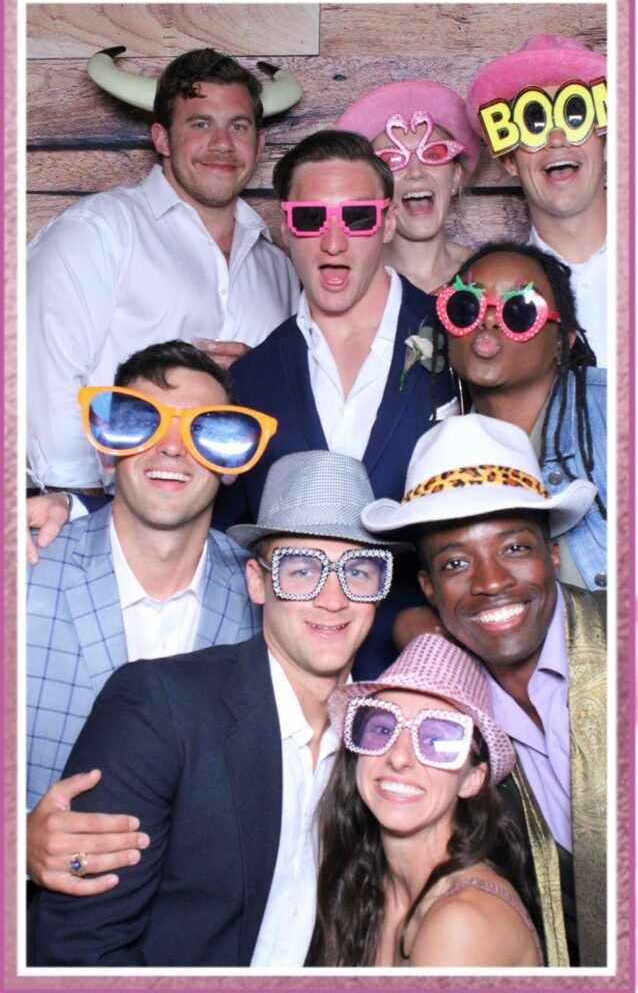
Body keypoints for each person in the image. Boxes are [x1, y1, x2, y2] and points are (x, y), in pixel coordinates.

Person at [28, 450, 400, 966]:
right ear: (257, 582)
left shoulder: (385, 743)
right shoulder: (158, 709)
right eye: (300, 570)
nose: (332, 598)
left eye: (357, 571)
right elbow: (78, 949)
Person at [27, 339, 276, 894]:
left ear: (232, 462)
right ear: (106, 450)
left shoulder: (269, 601)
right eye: (142, 423)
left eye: (204, 430)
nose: (171, 447)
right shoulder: (24, 572)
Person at [362, 413, 607, 966]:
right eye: (455, 562)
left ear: (554, 556)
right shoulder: (452, 715)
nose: (491, 581)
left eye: (515, 548)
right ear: (428, 588)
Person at [217, 128, 458, 677]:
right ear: (285, 227)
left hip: (425, 669)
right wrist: (78, 507)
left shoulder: (461, 339)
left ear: (388, 222)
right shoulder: (252, 380)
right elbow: (212, 530)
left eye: (356, 218)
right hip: (290, 678)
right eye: (310, 219)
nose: (333, 242)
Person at [27, 47, 300, 494]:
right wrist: (83, 512)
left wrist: (256, 374)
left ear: (260, 144)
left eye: (239, 126)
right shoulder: (97, 232)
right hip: (105, 514)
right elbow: (46, 378)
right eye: (199, 124)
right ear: (161, 138)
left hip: (236, 530)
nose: (222, 144)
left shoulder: (279, 267)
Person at [309, 634, 543, 967]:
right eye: (382, 728)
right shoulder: (366, 887)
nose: (400, 757)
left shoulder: (461, 924)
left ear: (472, 779)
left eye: (436, 738)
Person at [429, 240, 606, 591]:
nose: (490, 320)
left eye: (520, 310)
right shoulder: (444, 453)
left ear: (564, 341)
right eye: (467, 306)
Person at [466, 34, 607, 365]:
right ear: (508, 161)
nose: (556, 140)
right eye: (535, 124)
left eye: (575, 117)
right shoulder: (489, 302)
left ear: (605, 139)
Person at [336, 79, 480, 293]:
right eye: (392, 160)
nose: (416, 172)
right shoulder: (352, 285)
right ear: (371, 189)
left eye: (433, 154)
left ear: (456, 178)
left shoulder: (487, 273)